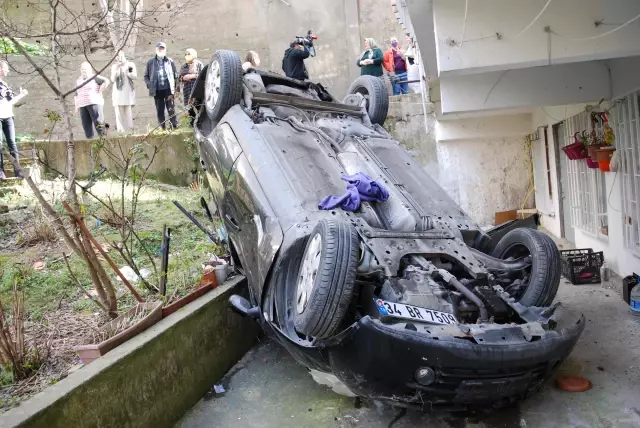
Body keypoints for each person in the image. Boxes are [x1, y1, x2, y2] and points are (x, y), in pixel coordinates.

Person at [0, 60, 28, 179]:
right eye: (6, 68)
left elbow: (10, 102)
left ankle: (18, 170)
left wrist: (22, 95)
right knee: (0, 144)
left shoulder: (5, 84)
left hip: (8, 117)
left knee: (12, 143)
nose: (8, 70)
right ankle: (1, 172)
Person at [144, 42, 179, 129]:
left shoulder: (170, 61)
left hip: (168, 89)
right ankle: (162, 127)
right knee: (160, 109)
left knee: (171, 108)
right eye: (159, 48)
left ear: (165, 50)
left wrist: (176, 88)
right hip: (157, 90)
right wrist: (150, 85)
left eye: (162, 48)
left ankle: (173, 126)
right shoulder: (150, 62)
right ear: (156, 50)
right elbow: (146, 76)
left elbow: (176, 75)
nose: (161, 50)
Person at [74, 62, 109, 139]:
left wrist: (100, 91)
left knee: (98, 122)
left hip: (94, 103)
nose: (83, 71)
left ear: (90, 69)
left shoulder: (94, 77)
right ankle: (89, 140)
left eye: (85, 69)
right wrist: (76, 106)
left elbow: (106, 81)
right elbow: (76, 94)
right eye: (82, 69)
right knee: (86, 124)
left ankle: (103, 139)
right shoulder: (78, 80)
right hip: (83, 105)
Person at [110, 51, 137, 132]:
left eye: (120, 55)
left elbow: (134, 76)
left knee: (128, 112)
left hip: (127, 92)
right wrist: (117, 70)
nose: (118, 57)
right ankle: (121, 131)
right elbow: (112, 79)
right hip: (118, 92)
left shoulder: (130, 64)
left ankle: (130, 130)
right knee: (119, 112)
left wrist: (128, 72)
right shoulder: (114, 66)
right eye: (117, 56)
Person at [180, 48, 203, 126]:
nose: (187, 56)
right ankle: (192, 125)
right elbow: (179, 78)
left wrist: (192, 76)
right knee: (189, 109)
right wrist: (183, 78)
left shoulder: (199, 64)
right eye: (185, 54)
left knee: (200, 108)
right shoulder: (183, 66)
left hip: (197, 91)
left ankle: (201, 125)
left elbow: (203, 76)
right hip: (187, 91)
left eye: (188, 54)